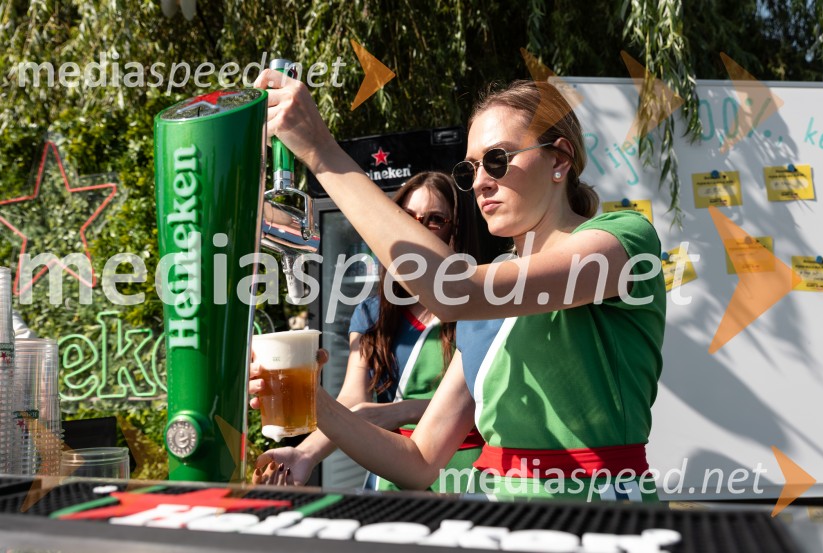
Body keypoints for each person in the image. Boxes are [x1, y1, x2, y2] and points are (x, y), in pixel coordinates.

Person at [251, 74, 666, 501]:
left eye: (498, 160)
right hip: (499, 522)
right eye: (472, 168)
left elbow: (456, 290)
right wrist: (313, 400)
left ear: (559, 160)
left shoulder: (624, 237)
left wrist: (322, 153)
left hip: (603, 520)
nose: (482, 181)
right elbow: (417, 462)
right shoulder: (489, 291)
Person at [251, 172, 484, 492]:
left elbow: (489, 401)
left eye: (435, 219)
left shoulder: (482, 307)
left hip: (465, 474)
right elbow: (353, 402)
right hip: (389, 469)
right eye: (406, 217)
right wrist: (304, 453)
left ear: (457, 230)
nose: (417, 227)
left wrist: (404, 410)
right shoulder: (372, 313)